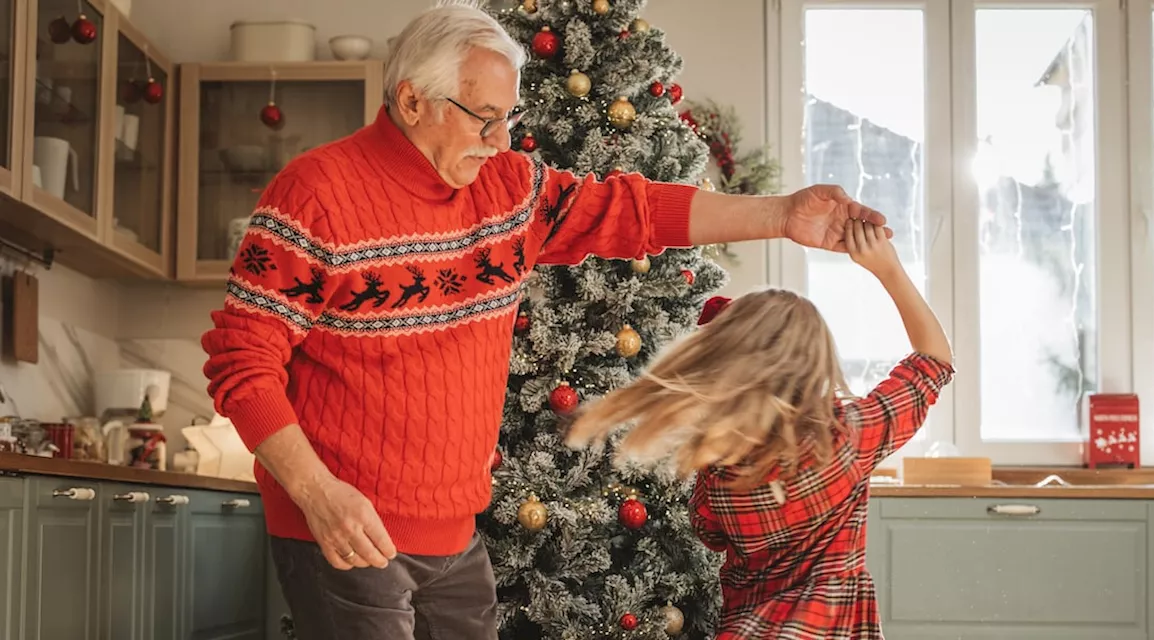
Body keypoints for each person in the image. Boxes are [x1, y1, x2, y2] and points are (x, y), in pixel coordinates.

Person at [201, 1, 891, 638]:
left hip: (452, 534)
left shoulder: (507, 189)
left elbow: (634, 211)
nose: (502, 140)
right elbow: (242, 364)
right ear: (412, 100)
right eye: (483, 117)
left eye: (509, 116)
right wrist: (317, 494)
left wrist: (779, 216)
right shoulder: (315, 196)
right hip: (344, 529)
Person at [566, 219, 954, 639]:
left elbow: (709, 532)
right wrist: (888, 269)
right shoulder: (848, 436)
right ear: (816, 362)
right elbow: (935, 360)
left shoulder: (720, 469)